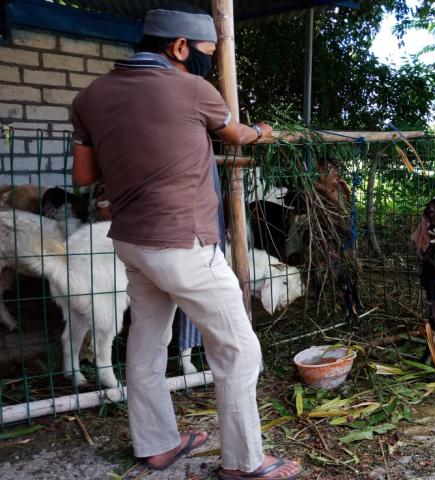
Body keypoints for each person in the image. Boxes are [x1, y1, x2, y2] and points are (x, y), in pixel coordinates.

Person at [71, 4, 301, 479]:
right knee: (239, 349)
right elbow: (235, 134)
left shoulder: (90, 96)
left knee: (147, 344)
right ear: (179, 47)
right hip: (184, 244)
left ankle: (156, 446)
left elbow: (83, 176)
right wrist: (263, 132)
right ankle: (243, 462)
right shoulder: (193, 88)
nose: (209, 63)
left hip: (132, 243)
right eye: (208, 54)